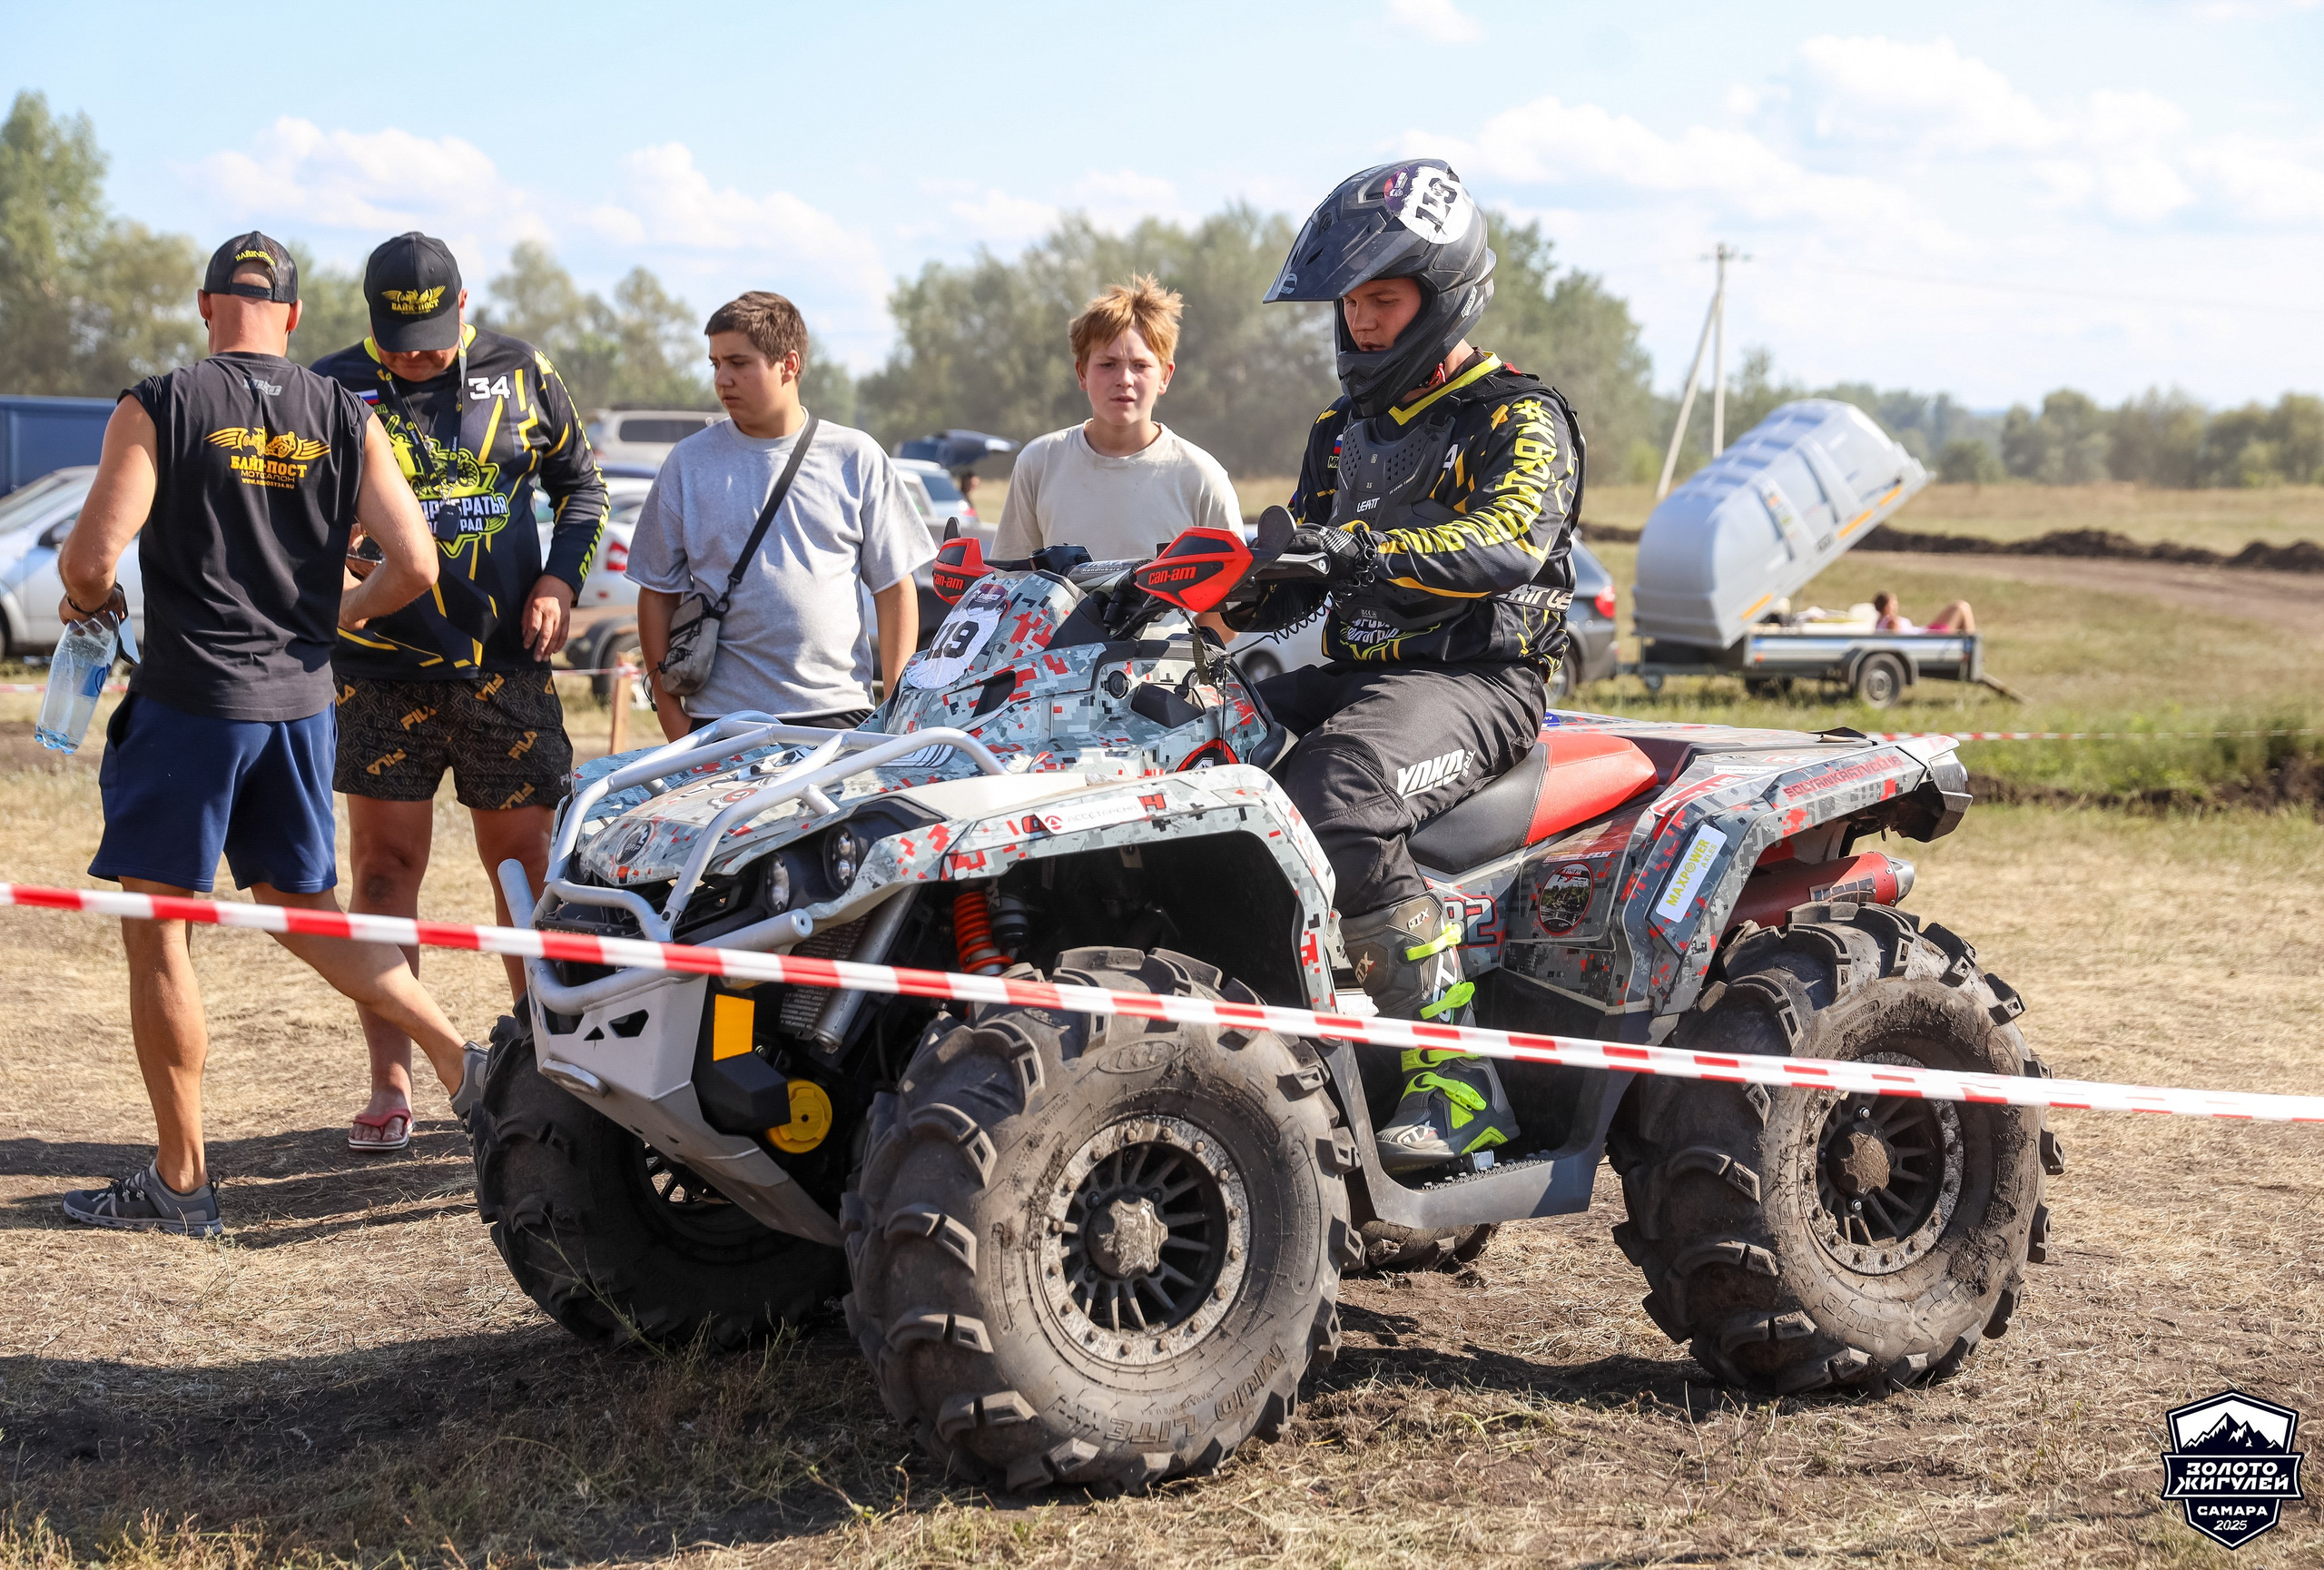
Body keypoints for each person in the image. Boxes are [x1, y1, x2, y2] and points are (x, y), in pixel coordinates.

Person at [54, 232, 487, 1237]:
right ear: (291, 318)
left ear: (210, 306)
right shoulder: (342, 411)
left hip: (191, 706)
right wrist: (338, 616)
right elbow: (416, 562)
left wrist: (95, 603)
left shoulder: (160, 402)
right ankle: (470, 1065)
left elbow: (86, 562)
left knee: (161, 933)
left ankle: (181, 1180)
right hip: (298, 704)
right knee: (310, 914)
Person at [1232, 162, 1583, 1174]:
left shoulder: (1518, 415)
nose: (1361, 324)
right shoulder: (1340, 434)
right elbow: (1300, 577)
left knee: (1333, 791)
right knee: (1189, 742)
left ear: (1442, 299)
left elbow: (1507, 540)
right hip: (1364, 674)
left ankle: (1453, 1070)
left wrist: (1361, 550)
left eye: (1380, 300)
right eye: (1349, 305)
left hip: (1479, 681)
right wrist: (1227, 585)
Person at [311, 232, 607, 1154]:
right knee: (382, 875)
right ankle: (391, 1082)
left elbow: (584, 492)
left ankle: (543, 1071)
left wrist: (559, 584)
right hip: (379, 674)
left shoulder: (523, 373)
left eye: (430, 337)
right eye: (395, 339)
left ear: (464, 303)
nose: (412, 356)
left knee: (522, 876)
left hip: (504, 672)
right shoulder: (327, 388)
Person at [631, 291, 931, 739]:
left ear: (788, 365)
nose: (722, 380)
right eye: (715, 364)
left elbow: (894, 588)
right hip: (718, 722)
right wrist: (674, 719)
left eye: (738, 363)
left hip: (839, 715)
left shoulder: (857, 456)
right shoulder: (688, 463)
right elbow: (656, 594)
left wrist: (896, 708)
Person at [993, 275, 1241, 567]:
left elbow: (1222, 605)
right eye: (1107, 364)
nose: (1124, 380)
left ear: (1165, 376)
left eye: (1140, 366)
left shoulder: (1201, 477)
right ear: (1082, 372)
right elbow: (1008, 587)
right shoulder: (1039, 463)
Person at [1873, 590, 1975, 634]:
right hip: (1929, 637)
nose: (1896, 606)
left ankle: (1972, 648)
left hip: (1926, 633)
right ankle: (1973, 649)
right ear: (1887, 607)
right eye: (1894, 604)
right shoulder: (1892, 622)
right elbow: (1894, 642)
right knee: (1961, 607)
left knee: (1960, 606)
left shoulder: (1879, 622)